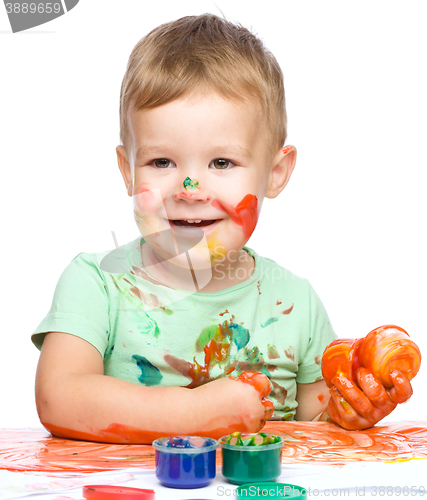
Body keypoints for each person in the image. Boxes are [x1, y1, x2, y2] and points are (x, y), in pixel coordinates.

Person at [32, 14, 412, 444]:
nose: (190, 190)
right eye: (162, 162)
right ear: (127, 170)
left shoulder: (296, 304)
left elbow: (316, 428)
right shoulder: (97, 284)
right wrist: (197, 413)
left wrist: (351, 411)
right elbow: (59, 398)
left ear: (275, 172)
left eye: (221, 163)